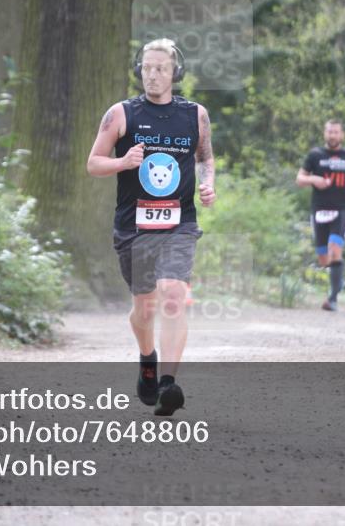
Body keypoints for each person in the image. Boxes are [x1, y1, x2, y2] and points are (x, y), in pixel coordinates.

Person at [86, 38, 215, 417]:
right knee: (144, 308)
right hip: (134, 226)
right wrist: (123, 161)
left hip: (180, 223)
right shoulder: (121, 114)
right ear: (138, 69)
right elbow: (93, 163)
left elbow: (206, 158)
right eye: (146, 68)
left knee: (173, 295)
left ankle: (168, 384)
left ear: (175, 73)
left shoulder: (196, 115)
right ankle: (147, 358)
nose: (153, 75)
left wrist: (209, 184)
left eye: (160, 68)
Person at [296, 119, 345, 311]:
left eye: (336, 132)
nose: (332, 135)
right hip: (319, 209)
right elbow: (300, 179)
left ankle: (333, 298)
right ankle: (338, 281)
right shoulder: (315, 155)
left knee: (335, 250)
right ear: (324, 134)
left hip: (341, 209)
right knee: (323, 258)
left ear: (342, 135)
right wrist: (314, 179)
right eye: (329, 132)